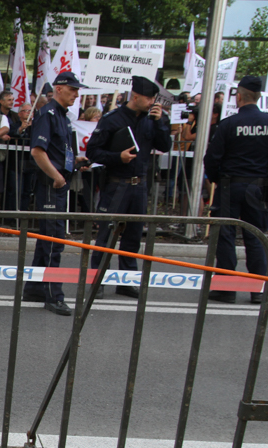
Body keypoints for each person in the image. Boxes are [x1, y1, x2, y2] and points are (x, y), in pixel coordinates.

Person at [203, 75, 268, 304]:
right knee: (256, 236)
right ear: (259, 97)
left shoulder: (228, 124)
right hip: (258, 186)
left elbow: (211, 158)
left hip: (230, 185)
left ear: (238, 96)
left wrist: (215, 179)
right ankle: (257, 290)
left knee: (225, 235)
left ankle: (227, 289)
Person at [85, 76, 172, 298]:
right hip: (116, 185)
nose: (153, 101)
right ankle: (98, 280)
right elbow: (93, 152)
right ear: (136, 97)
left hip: (140, 186)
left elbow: (164, 146)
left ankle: (126, 281)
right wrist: (118, 157)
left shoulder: (153, 119)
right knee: (106, 236)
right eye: (150, 98)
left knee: (133, 236)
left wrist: (160, 123)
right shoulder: (112, 119)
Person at [21, 71, 89, 316]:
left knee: (47, 239)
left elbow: (58, 150)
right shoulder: (48, 114)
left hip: (58, 183)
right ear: (59, 88)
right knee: (54, 240)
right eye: (72, 89)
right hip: (51, 186)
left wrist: (74, 162)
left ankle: (35, 288)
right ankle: (53, 295)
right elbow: (38, 151)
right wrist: (57, 176)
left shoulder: (62, 115)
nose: (76, 94)